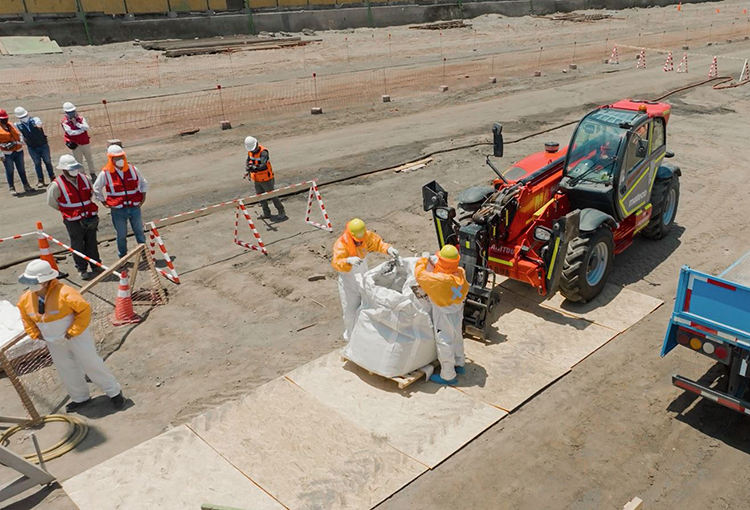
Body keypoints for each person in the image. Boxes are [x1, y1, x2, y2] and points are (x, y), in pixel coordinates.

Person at [17, 259, 125, 412]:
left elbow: (84, 311)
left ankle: (114, 392)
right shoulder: (26, 298)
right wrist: (35, 333)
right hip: (52, 340)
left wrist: (73, 331)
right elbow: (26, 317)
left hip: (76, 336)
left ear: (46, 281)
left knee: (91, 363)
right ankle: (80, 397)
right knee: (65, 369)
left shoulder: (65, 292)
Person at [331, 218, 399, 341]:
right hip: (348, 281)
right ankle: (351, 337)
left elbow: (377, 243)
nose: (360, 242)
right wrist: (347, 261)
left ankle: (366, 334)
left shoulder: (365, 236)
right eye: (357, 241)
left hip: (362, 274)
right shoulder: (341, 244)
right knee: (350, 310)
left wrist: (388, 249)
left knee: (367, 303)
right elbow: (336, 263)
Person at [414, 244, 469, 385]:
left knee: (444, 340)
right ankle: (459, 363)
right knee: (457, 336)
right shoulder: (460, 273)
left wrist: (423, 260)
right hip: (458, 308)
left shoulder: (439, 280)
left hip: (444, 313)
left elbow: (420, 275)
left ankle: (448, 375)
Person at [47, 155, 101, 281]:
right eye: (71, 169)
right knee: (77, 245)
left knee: (92, 242)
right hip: (73, 221)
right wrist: (67, 211)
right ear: (64, 170)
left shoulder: (85, 178)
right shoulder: (56, 185)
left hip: (89, 217)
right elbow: (52, 202)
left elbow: (91, 194)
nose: (74, 171)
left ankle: (96, 265)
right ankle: (82, 269)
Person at [93, 145, 148, 259]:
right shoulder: (106, 173)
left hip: (134, 207)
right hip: (118, 209)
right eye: (116, 158)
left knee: (139, 232)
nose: (119, 160)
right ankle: (123, 257)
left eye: (121, 157)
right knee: (121, 235)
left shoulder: (132, 169)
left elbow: (143, 182)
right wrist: (103, 202)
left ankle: (145, 254)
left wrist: (143, 197)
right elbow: (96, 188)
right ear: (111, 159)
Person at [244, 136, 285, 219]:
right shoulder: (250, 152)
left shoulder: (264, 152)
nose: (252, 150)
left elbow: (263, 165)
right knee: (260, 197)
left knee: (272, 196)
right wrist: (248, 168)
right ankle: (266, 213)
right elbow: (248, 161)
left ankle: (281, 211)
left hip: (266, 179)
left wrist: (255, 167)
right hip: (256, 179)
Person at [15, 106, 54, 188]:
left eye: (24, 116)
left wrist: (36, 125)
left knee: (47, 161)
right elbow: (20, 135)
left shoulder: (35, 119)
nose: (24, 118)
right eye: (21, 117)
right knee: (37, 163)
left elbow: (39, 125)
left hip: (43, 145)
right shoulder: (18, 125)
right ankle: (40, 180)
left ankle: (52, 177)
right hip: (32, 147)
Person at [0, 109, 32, 196]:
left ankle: (26, 185)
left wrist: (21, 141)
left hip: (18, 150)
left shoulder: (11, 125)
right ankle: (11, 187)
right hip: (7, 153)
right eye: (2, 119)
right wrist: (1, 152)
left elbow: (19, 134)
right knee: (10, 170)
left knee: (21, 169)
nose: (4, 120)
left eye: (5, 118)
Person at [61, 102, 96, 180]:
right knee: (78, 161)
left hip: (85, 142)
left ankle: (92, 173)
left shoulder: (81, 118)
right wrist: (81, 130)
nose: (71, 113)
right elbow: (70, 132)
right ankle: (83, 175)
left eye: (72, 111)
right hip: (75, 144)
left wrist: (77, 124)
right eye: (69, 112)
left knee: (89, 158)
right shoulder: (64, 122)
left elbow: (86, 127)